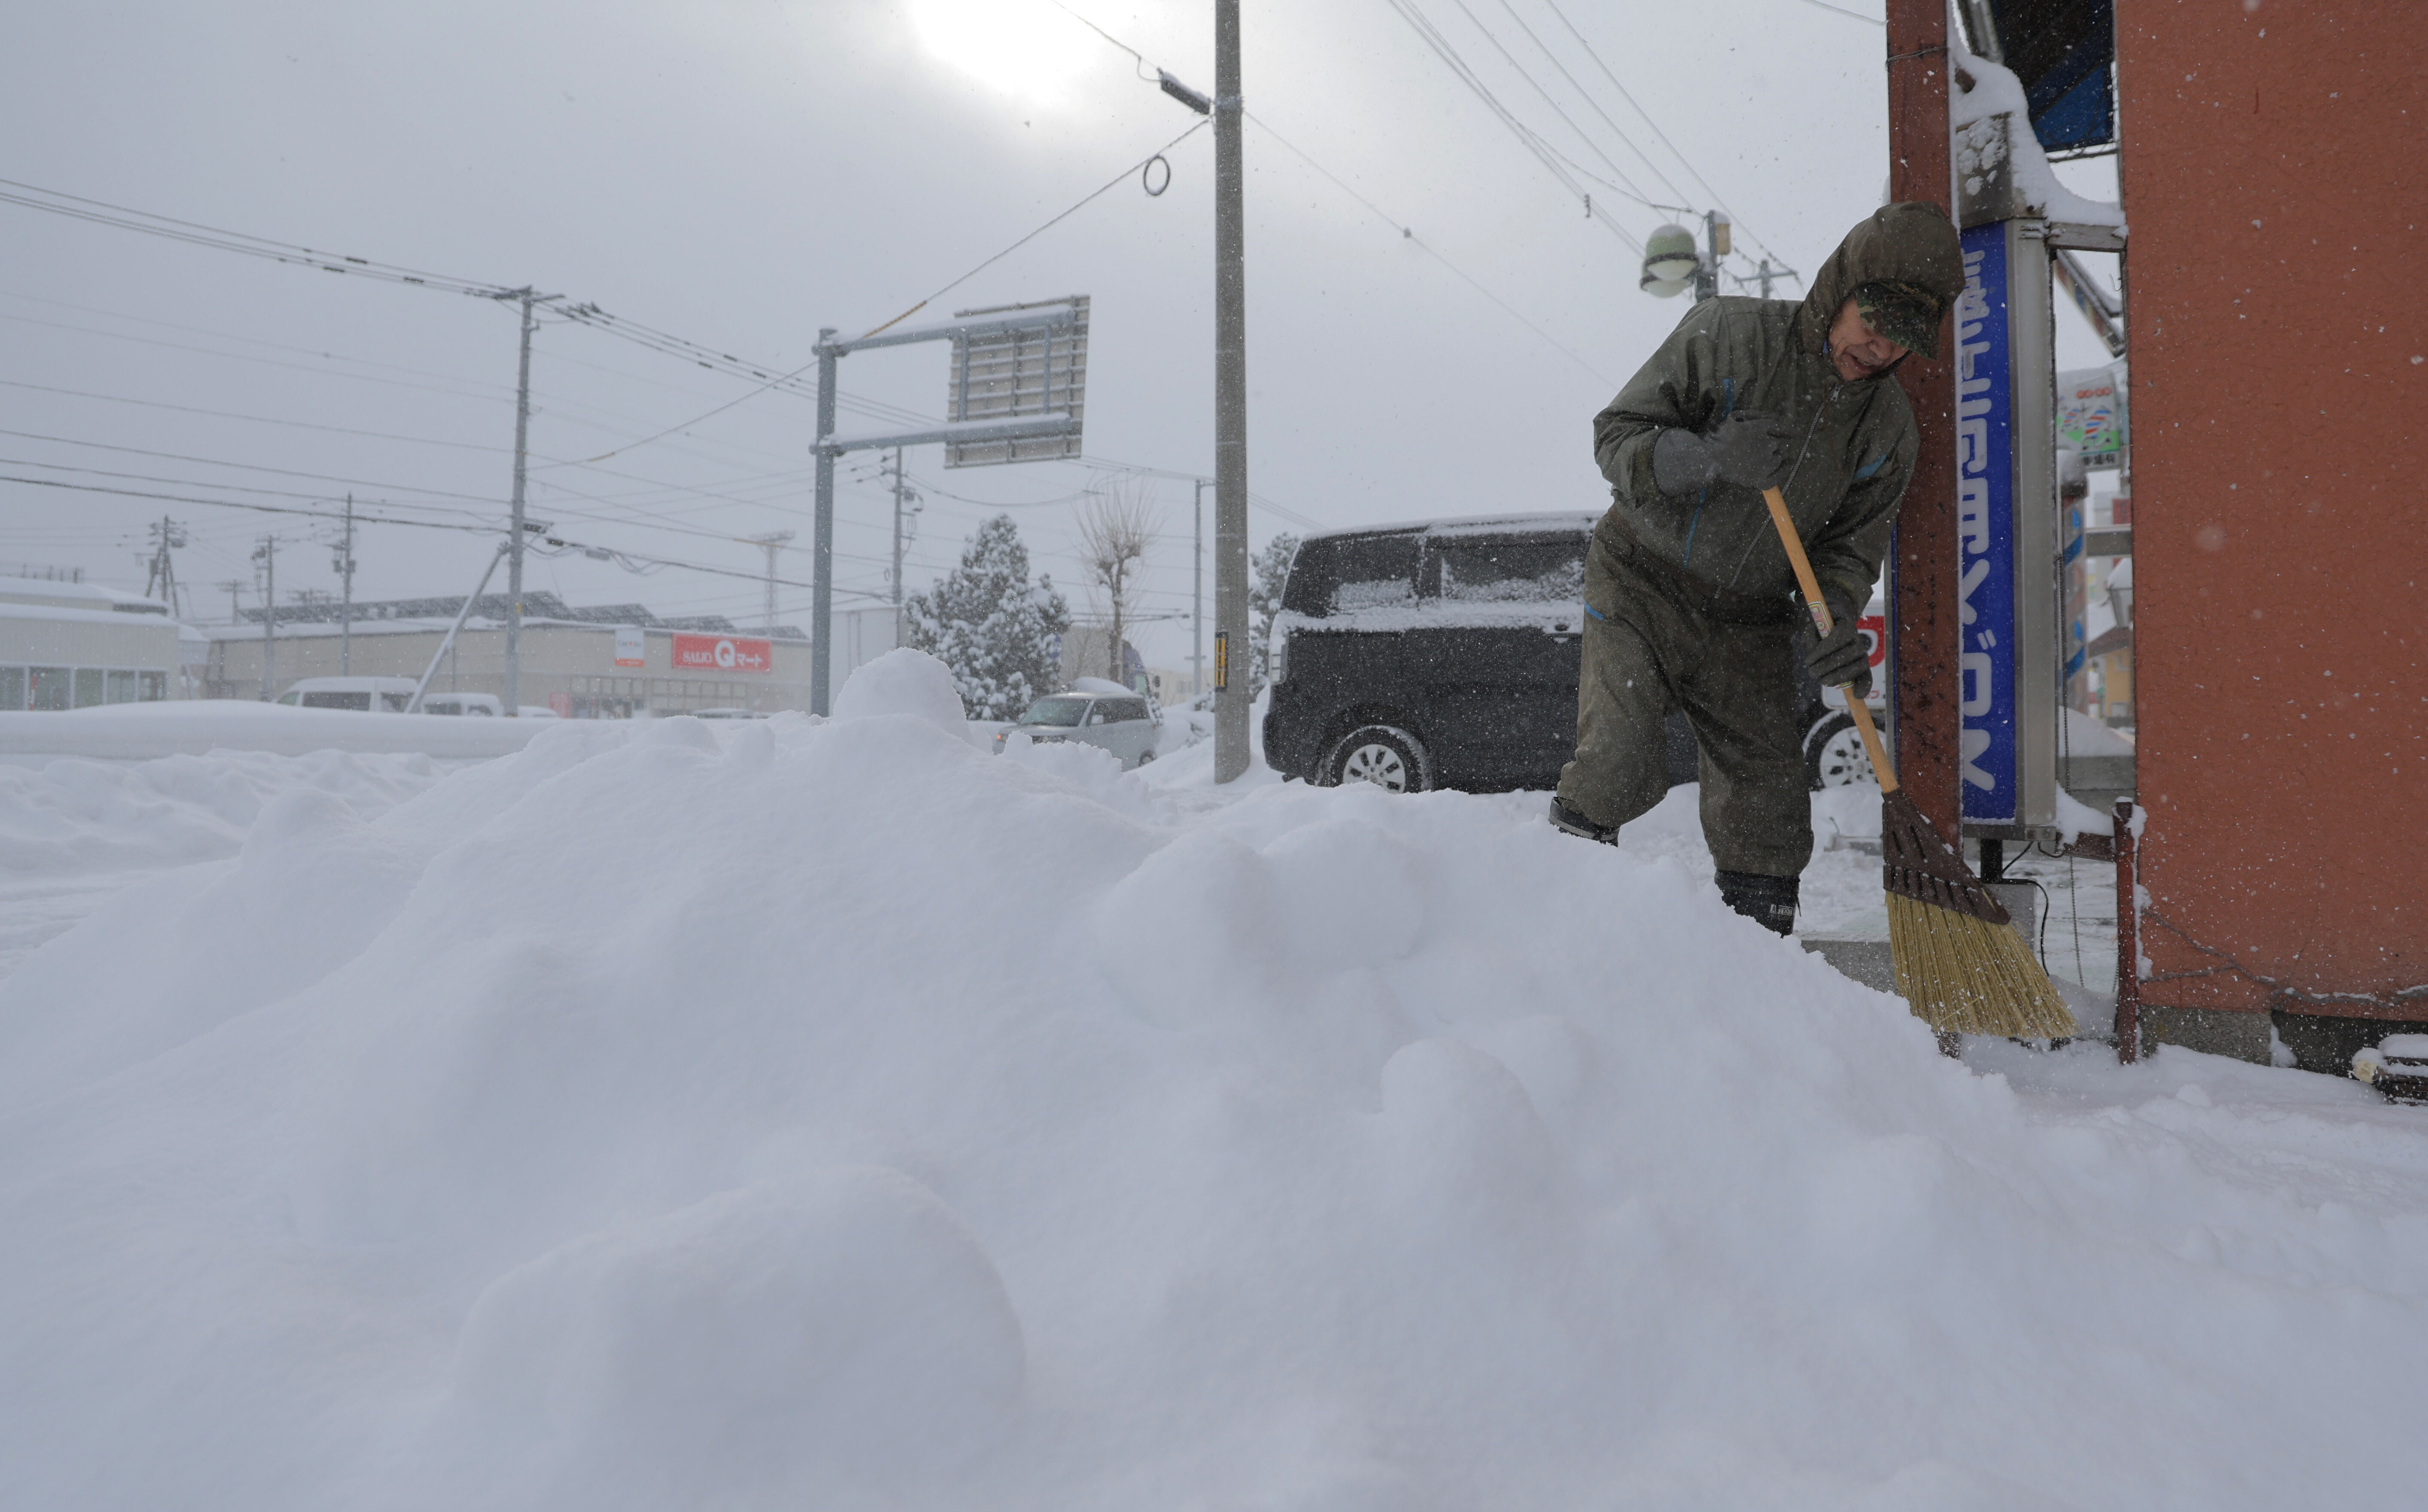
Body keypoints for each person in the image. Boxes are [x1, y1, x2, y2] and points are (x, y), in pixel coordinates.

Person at [1547, 202, 1965, 935]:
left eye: (1901, 338)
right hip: (1641, 577)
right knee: (1619, 762)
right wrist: (1706, 456)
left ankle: (1755, 978)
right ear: (1841, 289)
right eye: (1873, 320)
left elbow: (1848, 550)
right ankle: (1558, 927)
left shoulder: (1888, 432)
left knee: (1769, 813)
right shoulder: (1729, 335)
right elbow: (1616, 438)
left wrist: (1830, 619)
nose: (1878, 348)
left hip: (1751, 619)